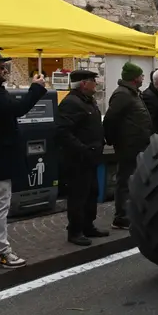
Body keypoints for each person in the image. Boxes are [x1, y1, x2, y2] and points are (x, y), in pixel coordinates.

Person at [0, 49, 46, 268]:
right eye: (1, 68)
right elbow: (17, 108)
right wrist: (36, 88)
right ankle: (0, 251)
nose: (4, 72)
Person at [56, 70, 109, 246]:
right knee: (78, 195)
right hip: (78, 159)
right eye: (93, 80)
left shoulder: (88, 101)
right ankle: (75, 230)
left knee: (91, 192)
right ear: (84, 83)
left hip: (91, 157)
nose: (96, 83)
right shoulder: (71, 103)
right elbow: (63, 131)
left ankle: (88, 225)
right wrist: (82, 149)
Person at [103, 62, 151, 230]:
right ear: (134, 78)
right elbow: (110, 119)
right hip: (128, 146)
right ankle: (121, 217)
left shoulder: (132, 93)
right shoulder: (123, 94)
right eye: (141, 75)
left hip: (136, 144)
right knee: (124, 180)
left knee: (133, 179)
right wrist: (112, 140)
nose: (143, 78)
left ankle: (130, 212)